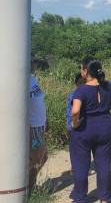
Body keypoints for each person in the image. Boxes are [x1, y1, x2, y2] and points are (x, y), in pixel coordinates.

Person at [69, 58, 111, 203]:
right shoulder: (107, 85)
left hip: (85, 128)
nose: (80, 71)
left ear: (86, 71)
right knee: (103, 163)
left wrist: (75, 124)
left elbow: (75, 111)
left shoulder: (81, 90)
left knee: (81, 164)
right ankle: (104, 197)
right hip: (105, 126)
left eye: (81, 68)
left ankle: (80, 197)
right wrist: (106, 107)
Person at [28, 57, 48, 191]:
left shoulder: (32, 79)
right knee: (39, 157)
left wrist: (46, 121)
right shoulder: (20, 81)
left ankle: (30, 185)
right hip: (32, 127)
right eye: (33, 62)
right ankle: (30, 187)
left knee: (40, 156)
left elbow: (39, 102)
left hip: (40, 125)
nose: (35, 64)